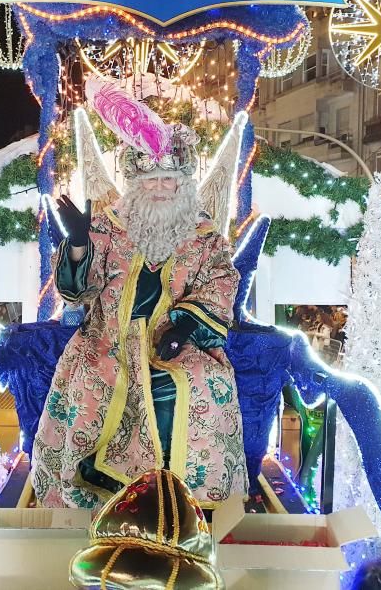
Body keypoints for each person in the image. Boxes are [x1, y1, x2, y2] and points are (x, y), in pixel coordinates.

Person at [31, 105, 246, 509]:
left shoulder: (204, 237)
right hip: (107, 343)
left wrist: (184, 327)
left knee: (198, 387)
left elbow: (221, 282)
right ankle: (108, 498)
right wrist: (79, 244)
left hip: (176, 345)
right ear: (135, 184)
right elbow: (77, 294)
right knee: (91, 389)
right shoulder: (106, 227)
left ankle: (185, 502)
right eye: (151, 181)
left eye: (169, 179)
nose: (161, 188)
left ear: (183, 184)